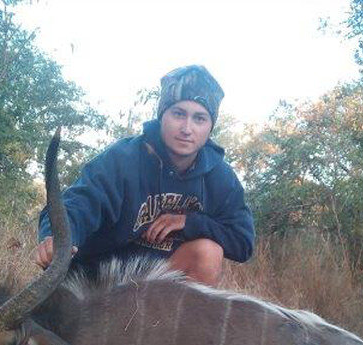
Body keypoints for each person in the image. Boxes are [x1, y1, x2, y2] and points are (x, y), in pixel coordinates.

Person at [32, 65, 254, 286]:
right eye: (178, 114)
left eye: (199, 118)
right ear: (162, 116)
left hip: (154, 286)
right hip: (98, 281)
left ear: (210, 125)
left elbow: (243, 242)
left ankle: (169, 322)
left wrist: (189, 222)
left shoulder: (220, 176)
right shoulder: (123, 158)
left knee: (207, 253)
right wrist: (56, 238)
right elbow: (77, 204)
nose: (187, 128)